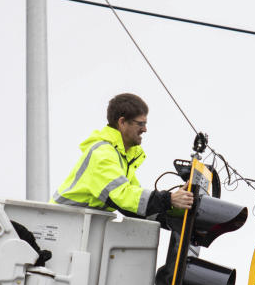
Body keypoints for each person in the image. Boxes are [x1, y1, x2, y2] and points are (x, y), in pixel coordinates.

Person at [52, 93, 193, 216]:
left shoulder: (122, 157)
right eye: (140, 124)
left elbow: (135, 204)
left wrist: (178, 203)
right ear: (122, 122)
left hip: (75, 225)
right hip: (59, 224)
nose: (145, 129)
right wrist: (169, 199)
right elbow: (123, 195)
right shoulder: (102, 154)